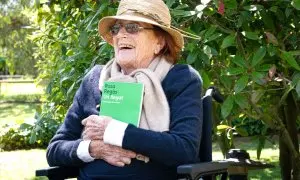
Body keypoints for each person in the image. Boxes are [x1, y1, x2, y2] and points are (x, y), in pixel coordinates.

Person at [46, 0, 203, 179]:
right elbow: (55, 150)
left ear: (159, 42)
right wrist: (94, 149)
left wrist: (114, 131)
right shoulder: (95, 79)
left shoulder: (181, 79)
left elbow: (184, 149)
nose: (120, 35)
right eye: (116, 29)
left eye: (132, 27)